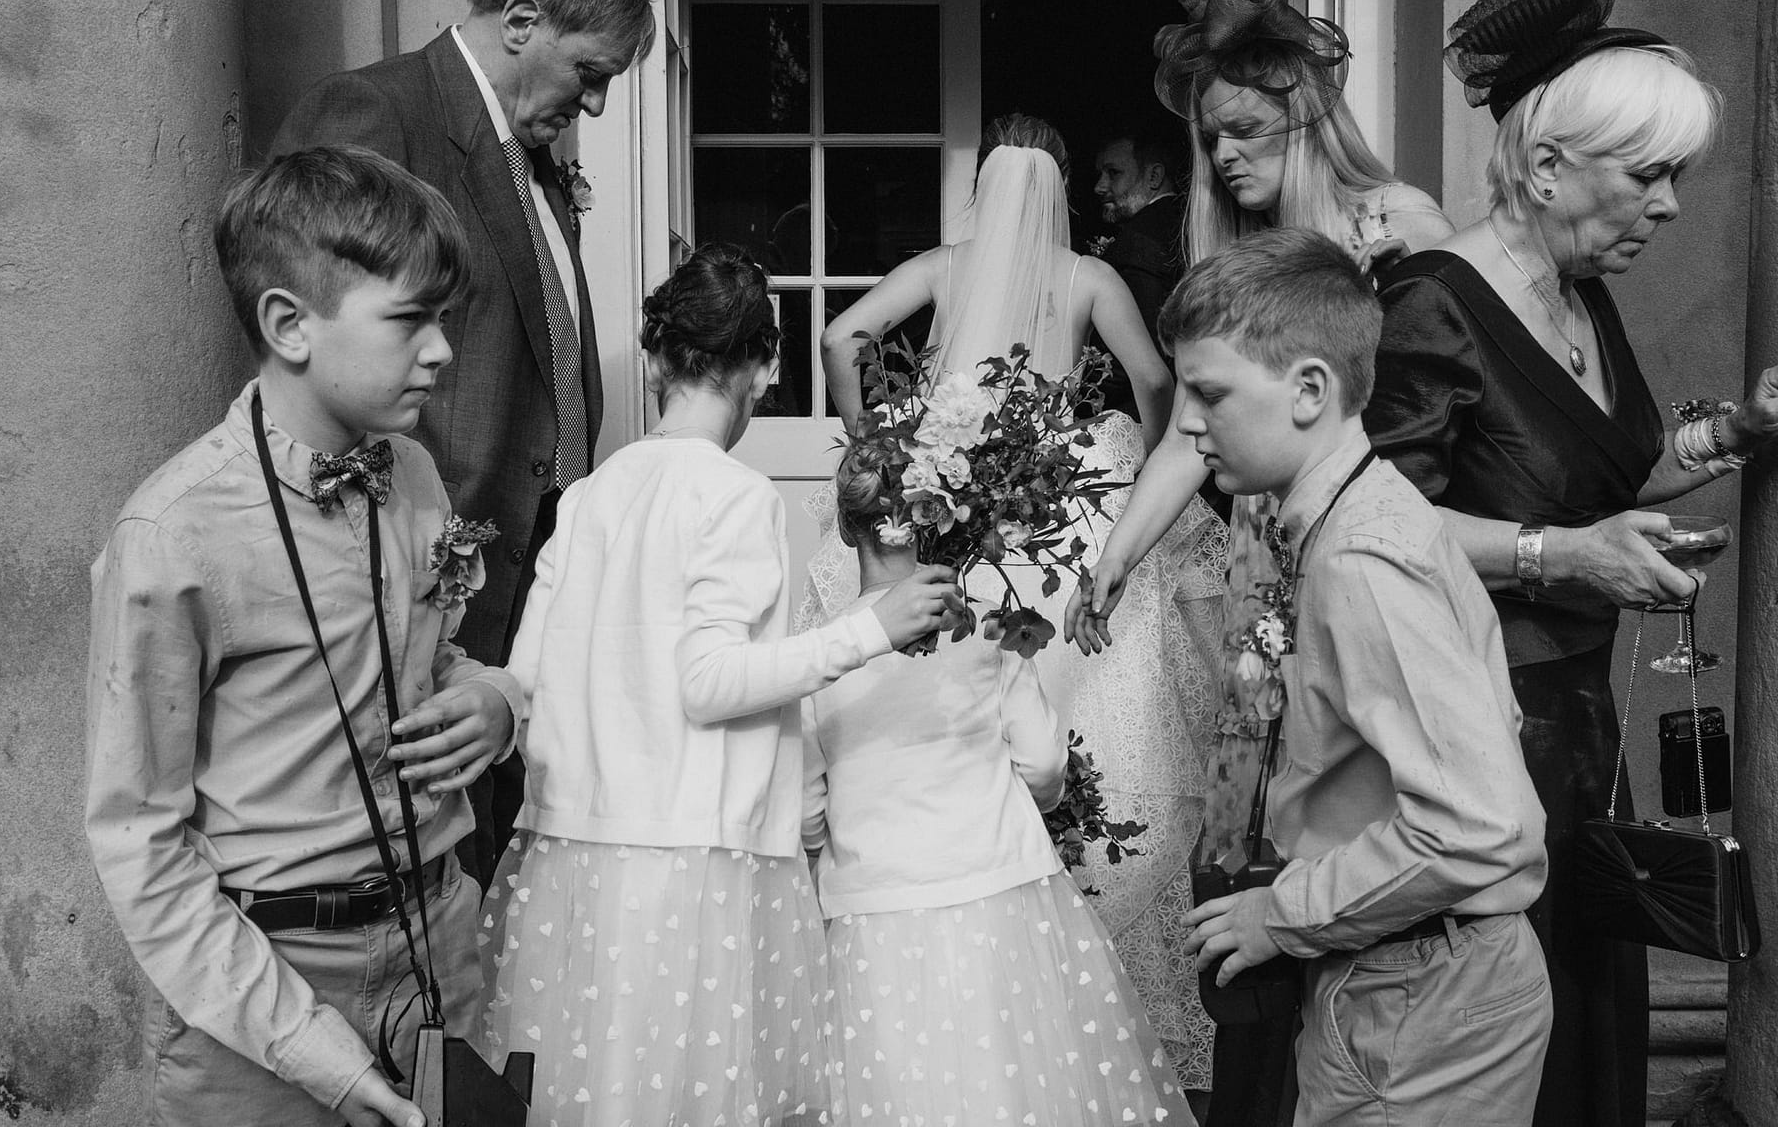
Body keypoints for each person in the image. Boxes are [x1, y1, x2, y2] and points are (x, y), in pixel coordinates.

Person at [1362, 0, 1778, 1127]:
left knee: (1581, 1038)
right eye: (1648, 175)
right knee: (1497, 1048)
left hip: (1578, 734)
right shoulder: (1430, 299)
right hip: (1471, 738)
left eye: (1673, 176)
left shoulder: (1585, 298)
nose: (1670, 206)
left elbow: (1605, 471)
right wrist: (1568, 557)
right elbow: (1369, 523)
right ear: (1543, 168)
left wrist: (1734, 430)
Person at [1065, 0, 1455, 1123]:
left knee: (1351, 807)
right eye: (1208, 139)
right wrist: (1115, 556)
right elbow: (1188, 431)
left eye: (1243, 131)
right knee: (1242, 834)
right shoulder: (1230, 257)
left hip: (1370, 562)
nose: (1224, 158)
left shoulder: (1403, 228)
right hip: (1250, 583)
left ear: (1308, 118)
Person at [84, 146, 521, 1127]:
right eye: (411, 319)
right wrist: (306, 1044)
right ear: (289, 324)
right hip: (262, 990)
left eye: (444, 317)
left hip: (439, 939)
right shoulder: (175, 536)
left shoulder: (414, 474)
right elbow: (139, 838)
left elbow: (434, 659)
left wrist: (497, 699)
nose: (444, 349)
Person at [477, 244, 957, 1126]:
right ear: (766, 367)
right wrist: (869, 629)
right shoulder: (734, 495)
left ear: (658, 359)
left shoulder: (588, 494)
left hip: (578, 858)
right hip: (691, 858)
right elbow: (710, 681)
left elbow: (526, 680)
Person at [803, 111, 1229, 1091]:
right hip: (1058, 488)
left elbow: (842, 331)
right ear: (1064, 189)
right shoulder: (1089, 275)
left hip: (949, 478)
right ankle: (1053, 956)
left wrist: (877, 434)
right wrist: (1130, 452)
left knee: (924, 696)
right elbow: (1155, 376)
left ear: (982, 189)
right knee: (1087, 717)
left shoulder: (944, 264)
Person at [272, 0, 656, 887]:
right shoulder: (378, 114)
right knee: (415, 859)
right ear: (522, 21)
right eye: (592, 73)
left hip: (527, 564)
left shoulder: (537, 162)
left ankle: (478, 1032)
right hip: (418, 566)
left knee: (492, 859)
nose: (598, 105)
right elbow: (322, 362)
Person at [1171, 228, 1553, 1127]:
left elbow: (1480, 826)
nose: (1186, 421)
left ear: (1310, 389)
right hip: (1408, 983)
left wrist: (1283, 913)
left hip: (1420, 998)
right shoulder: (1347, 514)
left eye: (1209, 392)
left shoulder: (1359, 559)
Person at [798, 443, 1198, 1126]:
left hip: (872, 903)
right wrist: (1034, 803)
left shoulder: (818, 652)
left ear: (845, 529)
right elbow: (1043, 762)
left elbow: (806, 810)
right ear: (929, 521)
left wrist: (825, 839)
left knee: (898, 1087)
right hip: (1001, 890)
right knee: (1025, 1080)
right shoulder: (983, 622)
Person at [1090, 121, 1190, 420]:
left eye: (1114, 173)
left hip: (1138, 418)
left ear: (1155, 176)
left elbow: (1130, 359)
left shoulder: (1138, 242)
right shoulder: (1188, 225)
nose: (1100, 186)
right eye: (1101, 174)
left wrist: (1079, 401)